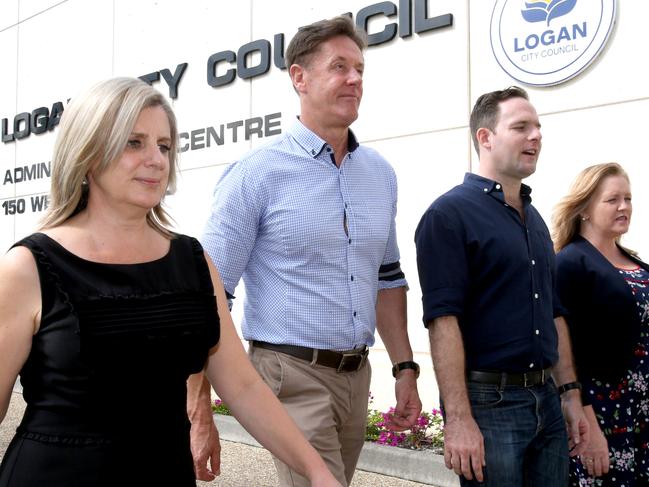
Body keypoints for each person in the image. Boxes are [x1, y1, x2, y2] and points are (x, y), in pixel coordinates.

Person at [0, 77, 342, 487]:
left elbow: (245, 387)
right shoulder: (28, 267)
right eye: (134, 143)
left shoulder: (193, 261)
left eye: (164, 146)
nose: (157, 159)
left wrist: (318, 471)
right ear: (88, 153)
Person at [190, 15, 422, 487]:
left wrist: (404, 367)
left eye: (359, 68)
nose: (355, 79)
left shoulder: (380, 174)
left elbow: (387, 277)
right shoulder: (256, 174)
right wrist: (199, 409)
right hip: (288, 374)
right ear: (299, 77)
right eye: (339, 66)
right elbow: (207, 293)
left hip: (357, 376)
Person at [414, 86, 589, 486]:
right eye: (521, 127)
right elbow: (443, 321)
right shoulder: (448, 215)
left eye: (538, 128)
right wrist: (457, 420)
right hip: (491, 407)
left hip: (546, 399)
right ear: (485, 137)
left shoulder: (536, 219)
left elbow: (554, 313)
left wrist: (570, 395)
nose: (536, 136)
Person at [553, 162, 649, 486]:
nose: (624, 207)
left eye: (628, 198)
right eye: (612, 200)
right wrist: (588, 423)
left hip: (641, 410)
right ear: (585, 209)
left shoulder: (635, 262)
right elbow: (567, 351)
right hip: (604, 410)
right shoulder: (569, 263)